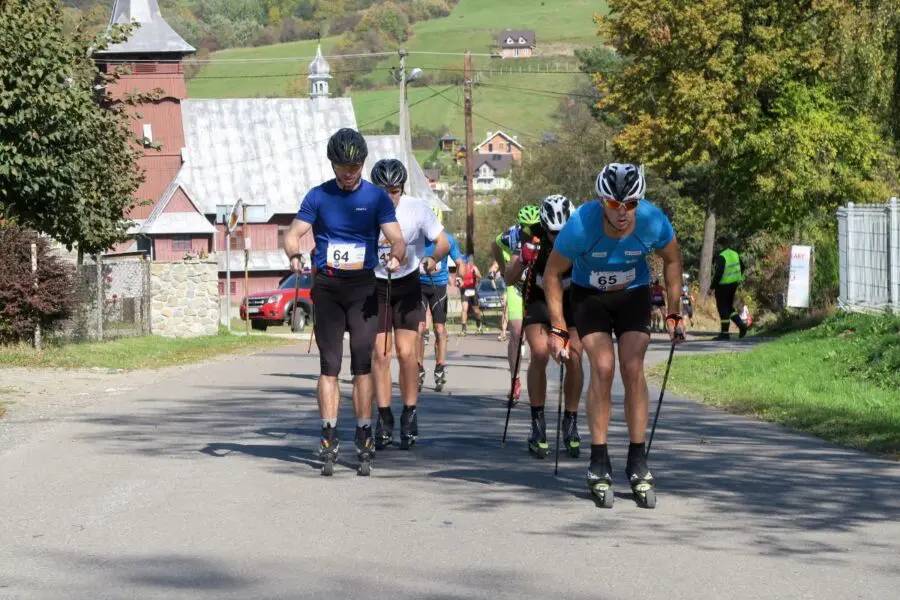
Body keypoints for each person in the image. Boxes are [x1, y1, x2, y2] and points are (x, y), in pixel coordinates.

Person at [545, 163, 686, 508]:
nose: (623, 213)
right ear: (601, 201)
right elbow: (552, 274)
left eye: (631, 204)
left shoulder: (654, 220)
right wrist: (558, 328)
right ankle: (598, 460)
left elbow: (672, 261)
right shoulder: (580, 225)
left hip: (633, 294)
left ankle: (637, 461)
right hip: (589, 296)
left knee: (633, 366)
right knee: (604, 367)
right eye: (613, 205)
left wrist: (673, 311)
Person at [283, 128, 406, 476]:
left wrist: (396, 256)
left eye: (354, 166)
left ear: (363, 164)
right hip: (329, 288)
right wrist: (294, 254)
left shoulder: (377, 198)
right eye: (342, 166)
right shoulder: (318, 197)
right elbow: (293, 234)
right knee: (329, 364)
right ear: (333, 164)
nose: (349, 173)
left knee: (363, 362)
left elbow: (396, 239)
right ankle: (329, 432)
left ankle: (364, 431)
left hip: (364, 289)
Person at [368, 159, 449, 451]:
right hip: (375, 287)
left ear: (401, 188)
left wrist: (432, 258)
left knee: (405, 353)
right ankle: (384, 416)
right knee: (380, 354)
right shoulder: (365, 209)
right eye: (383, 190)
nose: (390, 196)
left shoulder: (416, 209)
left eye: (394, 190)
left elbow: (442, 242)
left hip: (407, 284)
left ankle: (410, 413)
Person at [503, 195, 584, 459]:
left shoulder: (581, 232)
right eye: (551, 232)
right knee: (538, 353)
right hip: (538, 297)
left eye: (561, 232)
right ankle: (537, 423)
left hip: (570, 298)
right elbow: (508, 277)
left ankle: (570, 420)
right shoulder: (531, 234)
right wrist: (522, 260)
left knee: (574, 356)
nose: (555, 237)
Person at [491, 204, 542, 403]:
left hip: (535, 286)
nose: (529, 230)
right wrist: (503, 270)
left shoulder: (544, 235)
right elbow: (494, 246)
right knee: (516, 332)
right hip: (516, 287)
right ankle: (515, 380)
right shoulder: (511, 236)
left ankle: (535, 379)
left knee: (533, 337)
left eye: (533, 225)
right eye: (525, 226)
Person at [418, 229, 465, 393]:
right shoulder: (417, 238)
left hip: (438, 286)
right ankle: (419, 367)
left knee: (439, 329)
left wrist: (459, 277)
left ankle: (440, 367)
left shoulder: (448, 240)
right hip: (419, 286)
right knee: (420, 328)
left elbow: (460, 262)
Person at [710, 238, 748, 340]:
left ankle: (725, 334)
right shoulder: (734, 254)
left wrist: (712, 287)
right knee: (729, 308)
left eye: (717, 246)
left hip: (723, 286)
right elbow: (743, 266)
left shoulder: (722, 256)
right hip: (733, 285)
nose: (717, 248)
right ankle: (742, 326)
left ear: (721, 245)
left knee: (723, 309)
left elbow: (718, 273)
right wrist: (737, 277)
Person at [459, 256, 483, 335]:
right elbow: (458, 281)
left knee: (476, 310)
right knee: (464, 309)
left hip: (472, 290)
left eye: (463, 262)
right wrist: (458, 283)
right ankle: (463, 329)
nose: (462, 264)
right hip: (464, 290)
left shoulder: (473, 267)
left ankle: (479, 326)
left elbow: (480, 277)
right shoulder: (459, 269)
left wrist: (476, 274)